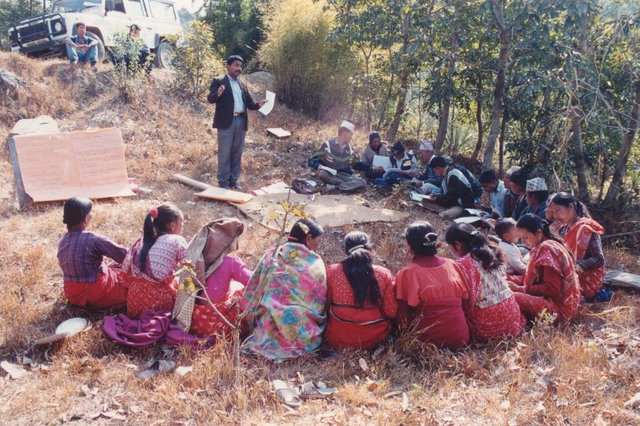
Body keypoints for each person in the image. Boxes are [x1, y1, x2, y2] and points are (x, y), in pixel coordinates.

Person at [242, 219, 327, 361]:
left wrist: (247, 321)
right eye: (318, 241)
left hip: (268, 329)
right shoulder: (315, 262)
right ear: (308, 238)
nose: (318, 247)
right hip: (301, 334)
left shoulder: (272, 255)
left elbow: (252, 291)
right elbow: (320, 302)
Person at [395, 221, 469, 350]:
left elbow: (403, 315)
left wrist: (403, 337)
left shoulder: (407, 273)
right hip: (461, 338)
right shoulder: (452, 264)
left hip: (427, 343)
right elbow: (467, 302)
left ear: (409, 247)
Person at [445, 224, 524, 341]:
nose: (449, 250)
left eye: (449, 246)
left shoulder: (461, 264)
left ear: (457, 245)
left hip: (486, 328)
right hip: (512, 319)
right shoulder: (495, 253)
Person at [325, 231, 397, 349]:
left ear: (345, 250)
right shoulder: (383, 274)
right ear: (369, 248)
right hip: (375, 339)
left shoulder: (332, 271)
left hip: (337, 339)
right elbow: (391, 311)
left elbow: (326, 305)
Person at [57, 197, 128, 308]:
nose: (91, 215)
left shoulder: (62, 241)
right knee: (133, 285)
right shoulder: (92, 239)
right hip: (96, 293)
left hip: (73, 295)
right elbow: (123, 256)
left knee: (114, 270)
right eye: (90, 213)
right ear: (86, 218)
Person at [207, 55, 266, 190]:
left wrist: (259, 104)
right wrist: (218, 93)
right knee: (224, 152)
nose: (239, 68)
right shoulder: (218, 81)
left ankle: (234, 180)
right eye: (236, 65)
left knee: (236, 152)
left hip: (241, 121)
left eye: (240, 66)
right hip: (226, 122)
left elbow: (250, 104)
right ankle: (223, 181)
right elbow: (210, 99)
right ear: (228, 66)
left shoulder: (242, 84)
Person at [509, 214, 580, 323]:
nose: (523, 242)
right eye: (521, 239)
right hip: (554, 303)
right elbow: (532, 278)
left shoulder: (546, 249)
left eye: (526, 237)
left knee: (511, 297)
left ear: (538, 233)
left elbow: (552, 289)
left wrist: (521, 289)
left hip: (559, 310)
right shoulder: (541, 246)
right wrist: (509, 279)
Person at [189, 218, 253, 337]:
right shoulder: (231, 262)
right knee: (242, 291)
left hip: (194, 322)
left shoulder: (196, 258)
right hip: (217, 327)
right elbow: (252, 280)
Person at [122, 203, 187, 318]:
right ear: (172, 226)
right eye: (182, 224)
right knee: (185, 283)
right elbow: (190, 268)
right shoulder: (176, 240)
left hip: (133, 303)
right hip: (158, 305)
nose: (183, 228)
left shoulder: (143, 240)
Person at [548, 192, 605, 300]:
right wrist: (552, 235)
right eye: (553, 212)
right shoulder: (563, 229)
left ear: (570, 207)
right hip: (568, 274)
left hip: (586, 280)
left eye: (558, 211)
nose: (555, 216)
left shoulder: (586, 228)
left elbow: (599, 259)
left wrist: (574, 266)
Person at [308, 120, 367, 192]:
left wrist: (372, 168)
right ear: (344, 133)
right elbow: (311, 160)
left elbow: (357, 164)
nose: (351, 137)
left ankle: (336, 187)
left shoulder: (350, 149)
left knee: (362, 182)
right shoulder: (327, 145)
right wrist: (318, 166)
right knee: (322, 174)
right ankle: (345, 187)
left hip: (344, 176)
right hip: (330, 175)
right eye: (350, 134)